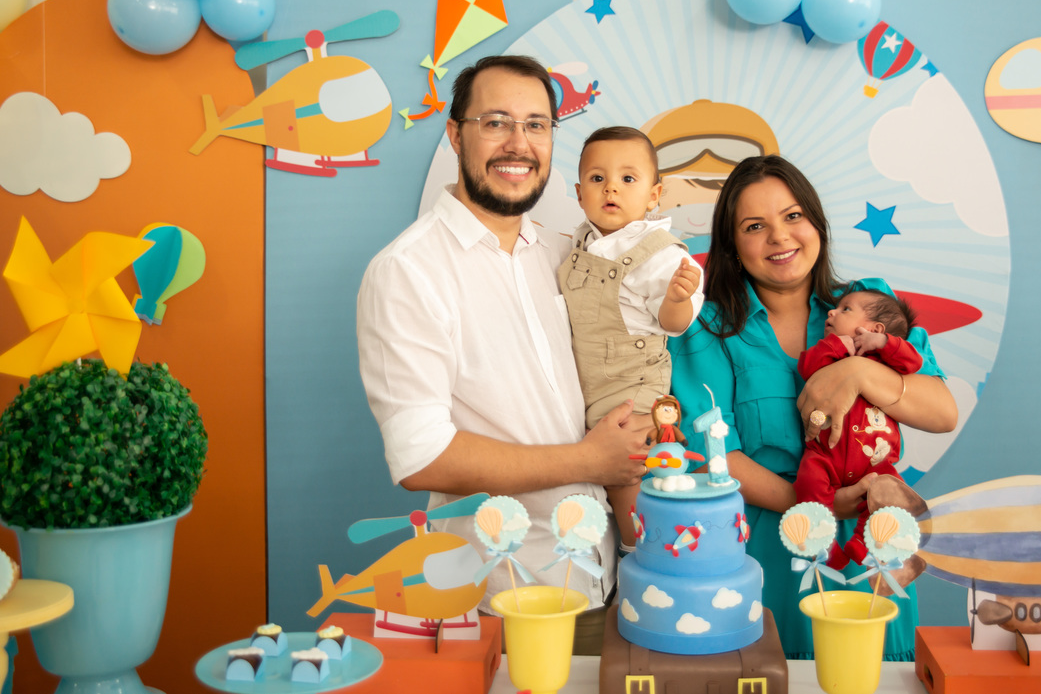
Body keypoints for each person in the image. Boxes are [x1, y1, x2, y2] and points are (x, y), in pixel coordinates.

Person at [356, 55, 652, 654]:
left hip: (608, 580)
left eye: (536, 125)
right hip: (500, 595)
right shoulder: (408, 271)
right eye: (496, 122)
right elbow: (421, 457)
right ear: (455, 133)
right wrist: (589, 461)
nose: (519, 143)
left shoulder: (565, 257)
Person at [667, 154, 957, 661]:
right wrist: (813, 505)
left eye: (793, 216)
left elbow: (942, 412)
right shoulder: (707, 328)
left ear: (817, 223)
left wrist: (859, 372)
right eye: (755, 226)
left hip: (873, 549)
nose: (779, 237)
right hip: (769, 549)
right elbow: (716, 456)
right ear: (732, 245)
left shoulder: (867, 307)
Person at [558, 125, 704, 550]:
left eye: (627, 178)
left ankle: (640, 556)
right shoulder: (580, 242)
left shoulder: (659, 253)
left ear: (654, 195)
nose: (611, 188)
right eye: (597, 178)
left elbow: (674, 324)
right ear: (579, 193)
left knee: (627, 478)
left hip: (633, 388)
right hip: (588, 387)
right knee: (593, 483)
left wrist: (676, 299)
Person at [794, 289, 933, 573]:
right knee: (808, 487)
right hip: (824, 456)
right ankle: (824, 546)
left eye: (845, 309)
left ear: (876, 329)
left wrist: (883, 344)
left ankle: (862, 543)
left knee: (890, 499)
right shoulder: (829, 352)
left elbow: (914, 363)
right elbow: (806, 367)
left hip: (876, 463)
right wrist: (834, 346)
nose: (832, 312)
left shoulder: (886, 362)